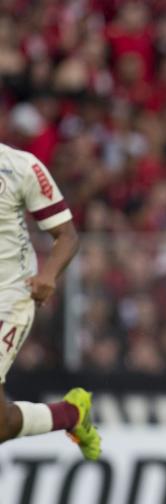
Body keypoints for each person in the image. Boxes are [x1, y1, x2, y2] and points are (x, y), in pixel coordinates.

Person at [0, 142, 100, 460]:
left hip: (10, 298)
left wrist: (48, 275)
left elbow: (67, 235)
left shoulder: (20, 166)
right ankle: (72, 413)